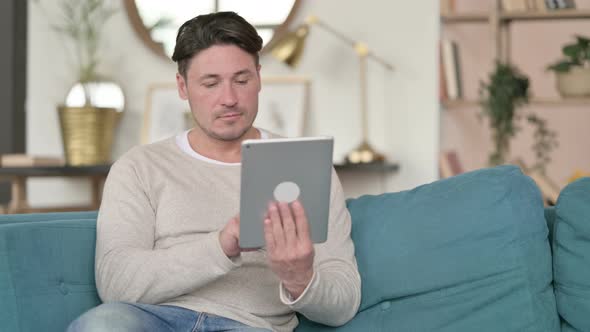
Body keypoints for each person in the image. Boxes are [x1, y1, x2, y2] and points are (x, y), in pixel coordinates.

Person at [68, 11, 360, 332]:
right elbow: (117, 283)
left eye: (242, 79)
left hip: (250, 326)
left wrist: (299, 277)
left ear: (259, 78)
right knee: (102, 326)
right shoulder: (138, 168)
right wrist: (221, 246)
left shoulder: (305, 166)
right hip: (153, 320)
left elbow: (343, 303)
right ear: (183, 87)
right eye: (211, 83)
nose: (230, 99)